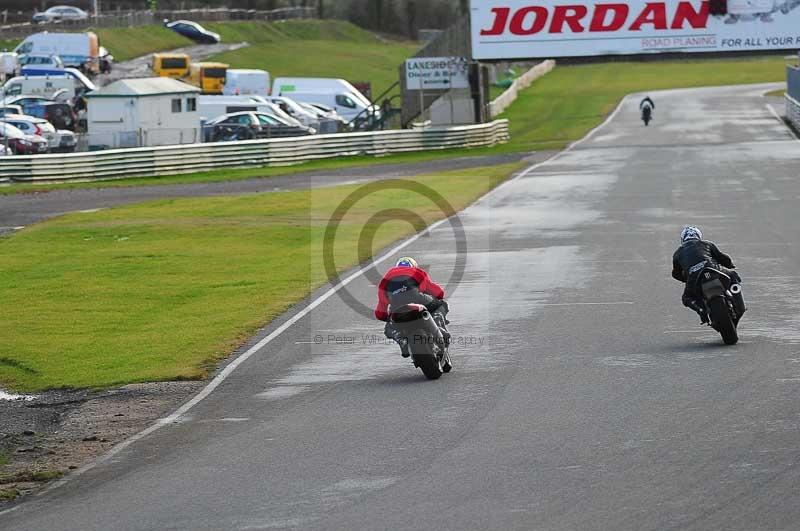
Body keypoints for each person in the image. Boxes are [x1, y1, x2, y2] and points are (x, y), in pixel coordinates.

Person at [375, 257, 450, 357]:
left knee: (389, 327)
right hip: (417, 299)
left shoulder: (385, 279)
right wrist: (435, 296)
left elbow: (380, 312)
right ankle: (439, 325)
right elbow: (438, 292)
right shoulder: (417, 271)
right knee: (440, 304)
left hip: (397, 306)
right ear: (413, 266)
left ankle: (401, 340)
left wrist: (387, 318)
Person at [672, 226, 741, 324]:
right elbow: (723, 258)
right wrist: (730, 265)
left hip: (694, 277)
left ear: (682, 239)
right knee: (733, 275)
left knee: (686, 298)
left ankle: (700, 309)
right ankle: (736, 294)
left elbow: (675, 274)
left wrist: (686, 279)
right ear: (698, 236)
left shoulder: (677, 253)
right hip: (713, 269)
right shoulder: (707, 244)